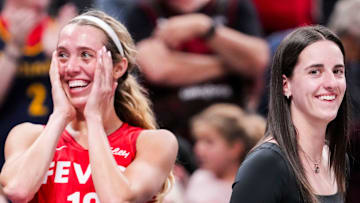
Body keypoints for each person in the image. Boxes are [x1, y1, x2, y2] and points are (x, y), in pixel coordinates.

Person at [0, 10, 178, 203]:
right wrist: (60, 115)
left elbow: (117, 200)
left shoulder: (153, 143)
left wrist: (94, 118)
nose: (71, 67)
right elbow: (17, 190)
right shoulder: (27, 135)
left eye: (85, 55)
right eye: (63, 55)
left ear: (118, 68)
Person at [230, 25, 350, 202]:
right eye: (315, 72)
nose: (331, 82)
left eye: (338, 71)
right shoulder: (266, 164)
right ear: (286, 85)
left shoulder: (336, 159)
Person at [124, 0, 269, 142]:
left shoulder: (234, 6)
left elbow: (258, 61)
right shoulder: (145, 11)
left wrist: (204, 27)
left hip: (232, 126)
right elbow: (157, 69)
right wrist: (232, 63)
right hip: (172, 130)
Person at [0, 0, 77, 168]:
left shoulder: (59, 29)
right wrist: (14, 47)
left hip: (53, 145)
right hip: (5, 145)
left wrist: (66, 53)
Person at [185, 103, 265, 203]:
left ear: (235, 148)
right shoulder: (199, 178)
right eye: (198, 141)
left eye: (209, 142)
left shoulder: (251, 188)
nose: (198, 149)